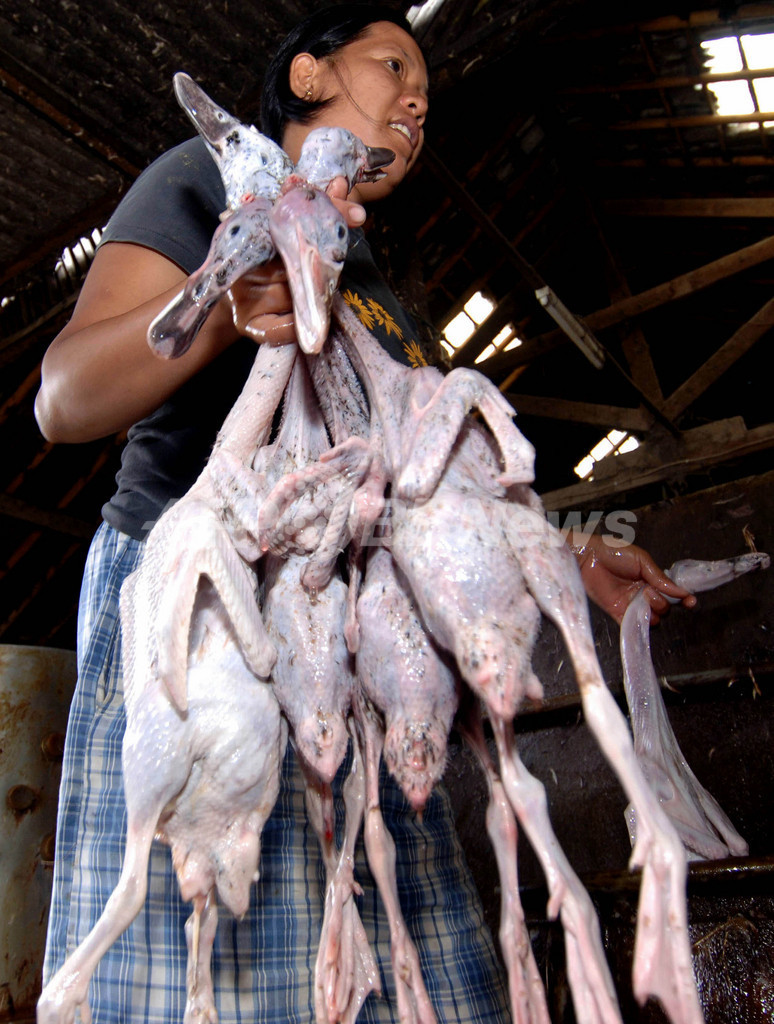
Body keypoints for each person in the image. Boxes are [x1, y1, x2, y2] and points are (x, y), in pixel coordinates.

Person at [35, 6, 695, 1023]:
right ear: (307, 75)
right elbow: (63, 397)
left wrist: (571, 553)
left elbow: (419, 483)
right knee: (206, 949)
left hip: (356, 630)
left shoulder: (383, 285)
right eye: (394, 65)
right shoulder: (205, 178)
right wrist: (227, 300)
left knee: (392, 959)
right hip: (203, 609)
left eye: (427, 96)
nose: (419, 101)